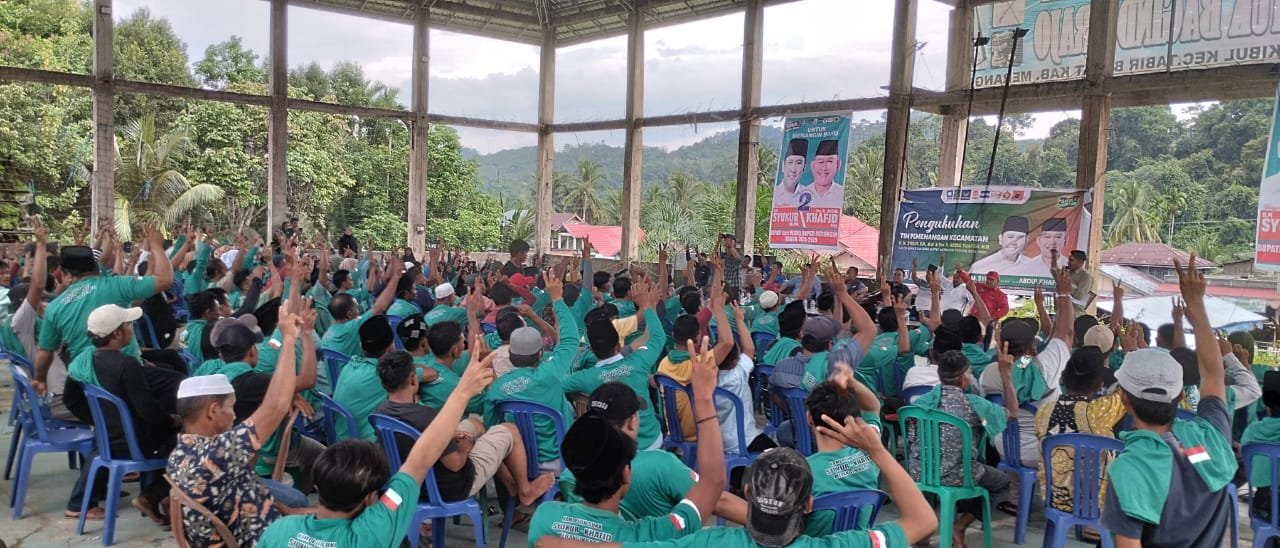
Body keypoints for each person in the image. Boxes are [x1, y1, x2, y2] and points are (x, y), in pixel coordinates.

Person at [535, 417, 939, 548]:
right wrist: (877, 450)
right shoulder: (840, 545)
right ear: (808, 505)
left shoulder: (704, 542)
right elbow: (923, 521)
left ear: (746, 491)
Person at [259, 338, 497, 547]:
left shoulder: (278, 530)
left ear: (319, 486)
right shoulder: (374, 530)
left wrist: (295, 511)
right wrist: (463, 392)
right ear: (369, 499)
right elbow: (418, 462)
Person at [528, 337, 728, 545]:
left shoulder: (544, 517)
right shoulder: (648, 536)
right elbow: (712, 484)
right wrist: (703, 397)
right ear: (626, 474)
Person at [1102, 255, 1237, 547]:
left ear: (1123, 399)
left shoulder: (1131, 467)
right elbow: (1213, 373)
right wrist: (1196, 304)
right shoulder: (1210, 439)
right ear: (1179, 394)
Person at [167, 302, 310, 547]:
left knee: (302, 506)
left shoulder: (181, 452)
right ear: (213, 411)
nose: (235, 416)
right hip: (261, 540)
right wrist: (288, 339)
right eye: (230, 408)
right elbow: (276, 405)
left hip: (255, 521)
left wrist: (289, 511)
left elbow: (243, 484)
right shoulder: (217, 453)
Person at [373, 350, 555, 507]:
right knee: (509, 430)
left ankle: (510, 484)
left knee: (474, 424)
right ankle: (525, 490)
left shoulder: (380, 413)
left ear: (383, 384)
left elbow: (411, 438)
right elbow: (456, 464)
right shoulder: (425, 416)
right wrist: (466, 445)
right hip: (453, 486)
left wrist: (450, 436)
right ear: (414, 379)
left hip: (412, 485)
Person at [557, 383, 749, 524]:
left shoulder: (572, 472)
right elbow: (719, 500)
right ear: (632, 422)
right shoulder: (661, 465)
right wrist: (765, 523)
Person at [61, 304, 184, 523]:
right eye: (128, 325)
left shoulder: (83, 362)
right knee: (188, 439)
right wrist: (173, 420)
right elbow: (148, 411)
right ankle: (153, 495)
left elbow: (70, 399)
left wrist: (101, 421)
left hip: (109, 437)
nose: (131, 329)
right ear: (116, 333)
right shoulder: (127, 365)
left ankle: (154, 497)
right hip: (132, 443)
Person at [33, 227, 175, 397]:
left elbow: (45, 352)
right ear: (96, 268)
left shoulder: (55, 307)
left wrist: (39, 380)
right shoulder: (117, 284)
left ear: (67, 275)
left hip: (88, 385)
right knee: (180, 384)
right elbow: (165, 280)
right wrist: (156, 246)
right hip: (128, 378)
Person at [908, 349, 1019, 547]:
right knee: (1002, 483)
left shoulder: (921, 403)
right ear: (964, 377)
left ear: (939, 374)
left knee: (940, 471)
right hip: (959, 475)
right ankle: (960, 525)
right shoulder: (973, 404)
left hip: (920, 472)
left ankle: (923, 535)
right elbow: (1012, 414)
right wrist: (1006, 376)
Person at [978, 267, 1076, 468]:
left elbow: (1022, 364)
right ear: (1032, 345)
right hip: (1041, 449)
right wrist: (1064, 294)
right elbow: (1065, 333)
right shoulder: (1043, 367)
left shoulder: (989, 373)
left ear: (1000, 342)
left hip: (1004, 447)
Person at [484, 269, 579, 471]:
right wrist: (557, 300)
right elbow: (570, 340)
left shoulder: (497, 388)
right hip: (561, 461)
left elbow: (491, 428)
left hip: (518, 464)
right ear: (540, 354)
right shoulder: (550, 373)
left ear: (510, 353)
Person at [564, 275, 666, 451]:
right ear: (619, 345)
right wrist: (648, 306)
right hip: (653, 442)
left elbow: (554, 383)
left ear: (591, 350)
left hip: (616, 452)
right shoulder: (639, 361)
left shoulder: (586, 378)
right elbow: (658, 337)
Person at [1033, 346, 1124, 515]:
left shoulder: (1044, 411)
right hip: (1095, 504)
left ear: (1063, 377)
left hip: (1055, 499)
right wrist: (1130, 351)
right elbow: (1124, 393)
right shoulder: (1098, 411)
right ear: (1099, 385)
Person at [802, 378, 882, 536]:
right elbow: (873, 406)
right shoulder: (872, 452)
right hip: (860, 541)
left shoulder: (801, 471)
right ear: (853, 419)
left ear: (809, 417)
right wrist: (851, 381)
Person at [332, 315, 396, 440]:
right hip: (364, 446)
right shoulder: (384, 374)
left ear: (361, 346)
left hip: (340, 439)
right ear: (390, 347)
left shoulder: (350, 365)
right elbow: (429, 374)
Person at [320, 258, 400, 359]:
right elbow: (380, 307)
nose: (359, 312)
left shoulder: (327, 334)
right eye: (357, 309)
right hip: (355, 368)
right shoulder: (351, 327)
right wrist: (396, 277)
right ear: (349, 314)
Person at [970, 216, 1035, 274]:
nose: (1014, 242)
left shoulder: (1033, 266)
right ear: (1000, 239)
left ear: (1027, 240)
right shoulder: (980, 266)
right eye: (1010, 237)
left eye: (1019, 238)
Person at [798, 140, 843, 210]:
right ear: (812, 166)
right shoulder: (801, 193)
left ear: (838, 165)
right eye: (821, 162)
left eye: (830, 161)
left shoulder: (842, 193)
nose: (824, 168)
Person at [1066, 250, 1095, 317]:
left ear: (1080, 262)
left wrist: (1068, 283)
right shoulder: (1068, 273)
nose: (1068, 262)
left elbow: (1080, 296)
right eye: (1068, 260)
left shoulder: (1086, 277)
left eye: (1071, 260)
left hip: (1075, 313)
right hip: (1063, 310)